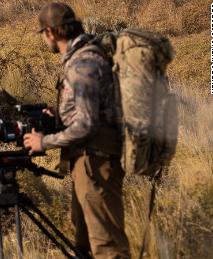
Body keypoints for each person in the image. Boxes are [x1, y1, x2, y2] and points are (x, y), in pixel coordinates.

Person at [23, 3, 131, 258]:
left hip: (96, 162)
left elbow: (87, 124)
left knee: (107, 247)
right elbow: (92, 109)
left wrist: (44, 142)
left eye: (42, 34)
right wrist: (61, 113)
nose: (43, 39)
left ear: (51, 32)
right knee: (85, 244)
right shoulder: (83, 57)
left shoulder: (83, 62)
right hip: (89, 160)